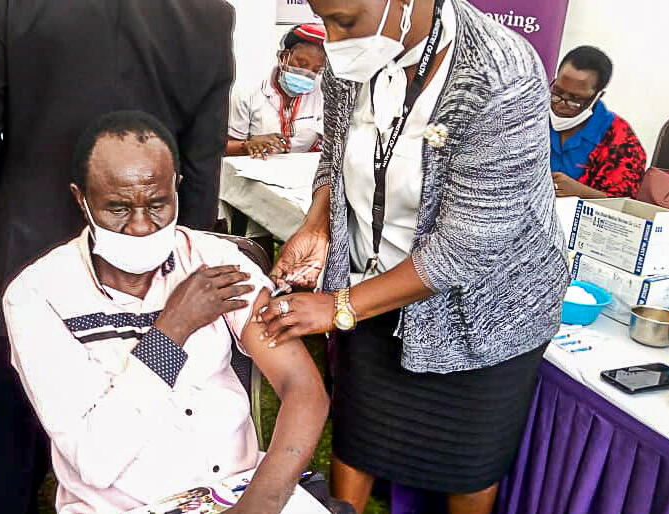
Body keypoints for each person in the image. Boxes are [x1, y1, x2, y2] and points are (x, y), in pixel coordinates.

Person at [259, 0, 570, 513]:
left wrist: (341, 306)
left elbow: (468, 245)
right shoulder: (349, 63)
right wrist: (318, 224)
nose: (332, 42)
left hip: (485, 313)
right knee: (357, 442)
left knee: (465, 468)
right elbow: (335, 160)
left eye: (345, 22)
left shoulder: (500, 73)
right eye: (324, 19)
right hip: (369, 283)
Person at [0, 2, 235, 512]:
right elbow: (201, 159)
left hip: (28, 238)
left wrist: (12, 193)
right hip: (152, 262)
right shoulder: (207, 13)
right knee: (160, 429)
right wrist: (179, 250)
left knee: (14, 434)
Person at [2, 111, 329, 514]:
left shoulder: (215, 260)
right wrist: (173, 328)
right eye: (118, 209)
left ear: (176, 188)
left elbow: (302, 385)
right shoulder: (39, 296)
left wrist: (260, 503)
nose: (141, 226)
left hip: (235, 489)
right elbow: (95, 458)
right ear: (81, 199)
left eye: (157, 204)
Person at [550, 46, 647, 199]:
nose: (561, 104)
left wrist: (581, 193)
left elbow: (624, 209)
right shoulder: (529, 118)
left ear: (597, 96)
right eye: (557, 92)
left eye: (575, 100)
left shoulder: (622, 143)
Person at [226, 23, 326, 159]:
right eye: (301, 64)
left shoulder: (322, 92)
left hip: (305, 172)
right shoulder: (247, 92)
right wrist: (246, 145)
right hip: (256, 173)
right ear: (283, 57)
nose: (307, 73)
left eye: (316, 70)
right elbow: (223, 147)